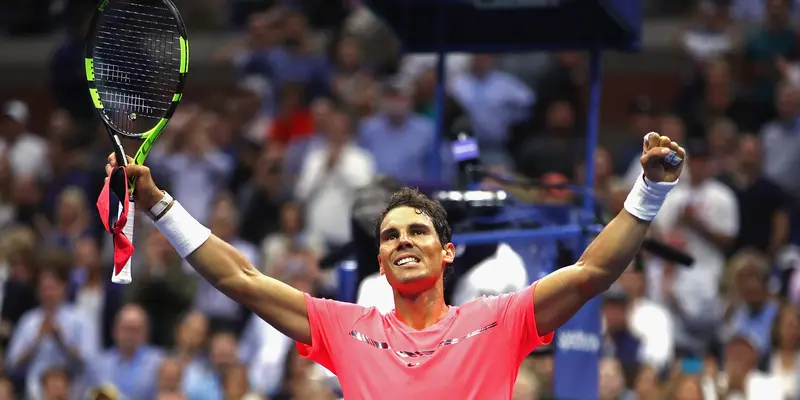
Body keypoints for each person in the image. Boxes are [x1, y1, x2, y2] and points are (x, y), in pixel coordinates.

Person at [104, 132, 685, 399]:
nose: (404, 241)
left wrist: (649, 192)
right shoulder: (346, 327)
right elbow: (242, 279)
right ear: (380, 259)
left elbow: (591, 274)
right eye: (390, 236)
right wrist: (158, 204)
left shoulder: (499, 320)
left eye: (417, 231)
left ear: (447, 250)